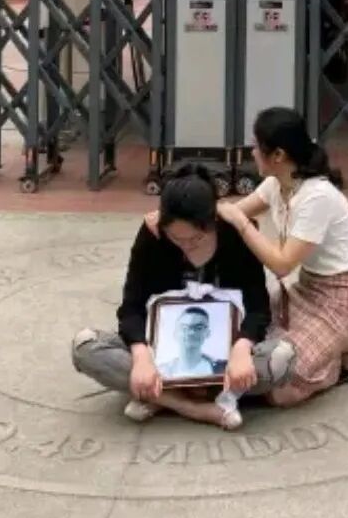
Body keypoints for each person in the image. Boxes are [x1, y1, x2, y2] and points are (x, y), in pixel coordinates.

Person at [71, 163, 294, 430]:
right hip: (158, 357)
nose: (186, 246)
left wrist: (242, 348)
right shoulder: (152, 235)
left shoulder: (234, 236)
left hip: (223, 360)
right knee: (85, 347)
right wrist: (141, 357)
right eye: (176, 239)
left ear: (213, 222)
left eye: (196, 239)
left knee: (281, 359)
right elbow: (132, 308)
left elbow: (257, 307)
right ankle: (195, 407)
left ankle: (159, 398)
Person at [215, 107, 348, 408]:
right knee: (237, 328)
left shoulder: (317, 196)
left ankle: (337, 358)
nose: (252, 152)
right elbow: (233, 212)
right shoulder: (278, 183)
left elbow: (282, 264)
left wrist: (243, 224)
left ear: (278, 155)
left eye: (257, 146)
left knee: (279, 386)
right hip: (306, 290)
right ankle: (340, 349)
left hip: (342, 302)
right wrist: (173, 211)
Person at [157, 306, 228, 380]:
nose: (191, 333)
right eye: (184, 328)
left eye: (198, 328)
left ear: (208, 333)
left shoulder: (223, 368)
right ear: (175, 333)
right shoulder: (160, 371)